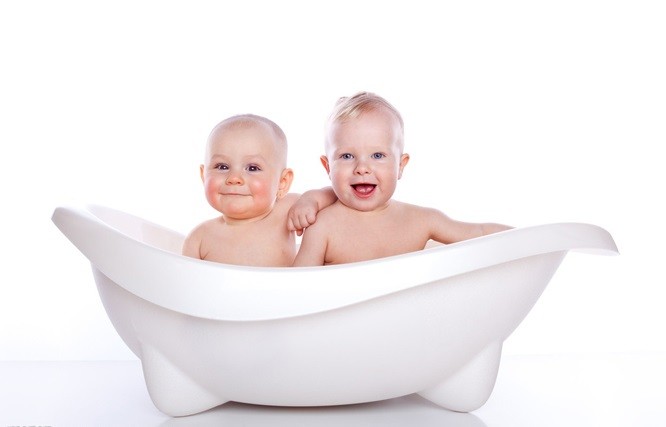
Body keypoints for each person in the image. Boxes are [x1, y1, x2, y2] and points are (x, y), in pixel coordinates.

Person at [293, 92, 511, 266]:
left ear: (400, 165)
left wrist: (524, 238)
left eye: (378, 155)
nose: (362, 168)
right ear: (328, 167)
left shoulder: (422, 221)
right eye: (347, 156)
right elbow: (296, 288)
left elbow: (479, 233)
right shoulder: (322, 228)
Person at [183, 114, 335, 266]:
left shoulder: (288, 209)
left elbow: (335, 195)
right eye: (222, 167)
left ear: (282, 183)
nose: (234, 178)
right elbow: (185, 278)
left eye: (252, 168)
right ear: (204, 176)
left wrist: (311, 200)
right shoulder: (199, 239)